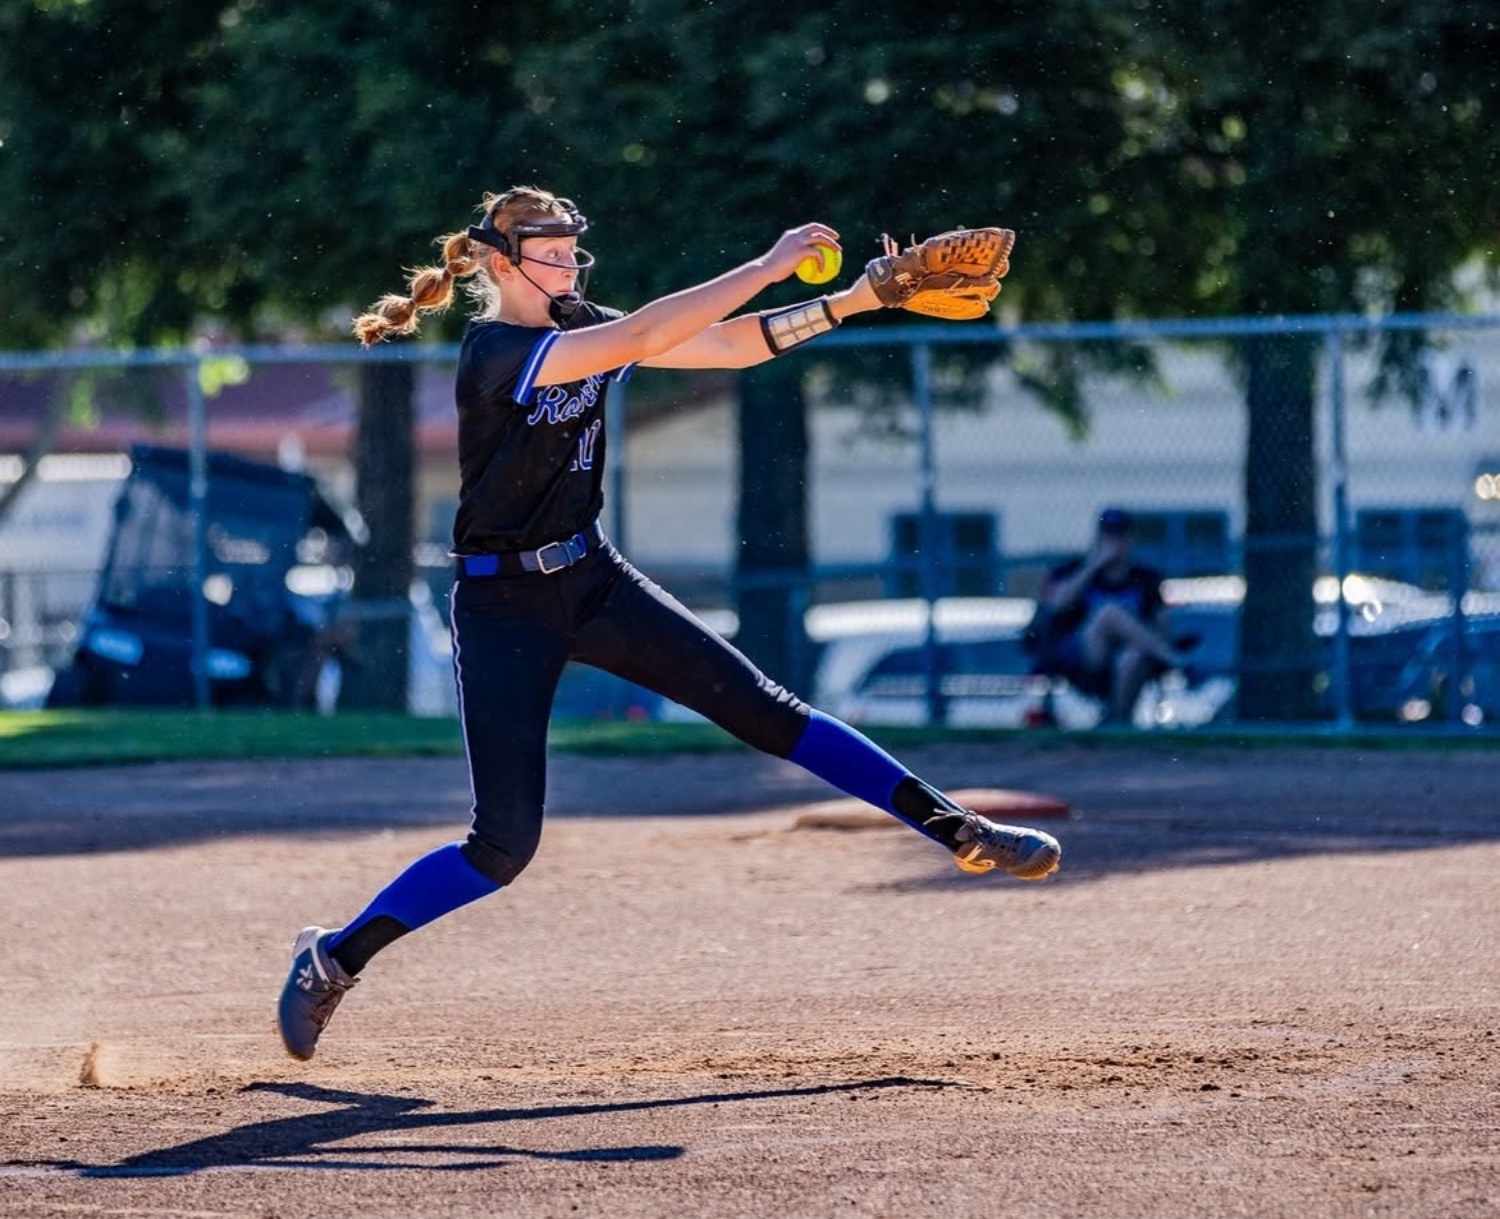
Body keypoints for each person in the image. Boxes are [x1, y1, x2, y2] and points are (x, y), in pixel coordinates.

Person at [276, 186, 1061, 1061]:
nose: (571, 264)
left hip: (592, 576)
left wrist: (854, 300)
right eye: (552, 251)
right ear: (500, 263)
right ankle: (334, 958)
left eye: (576, 249)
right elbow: (647, 334)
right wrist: (768, 265)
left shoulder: (582, 327)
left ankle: (957, 828)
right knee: (501, 845)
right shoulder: (497, 351)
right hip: (503, 607)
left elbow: (727, 348)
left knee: (768, 709)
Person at [1025, 508, 1197, 725]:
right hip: (1084, 654)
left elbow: (1162, 624)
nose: (1114, 543)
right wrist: (1094, 565)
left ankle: (1116, 720)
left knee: (1133, 655)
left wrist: (1151, 639)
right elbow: (1057, 604)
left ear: (1131, 539)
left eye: (1120, 536)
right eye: (1108, 536)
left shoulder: (1146, 578)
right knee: (1109, 612)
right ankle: (1178, 663)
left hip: (1130, 659)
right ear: (1098, 538)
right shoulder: (1074, 569)